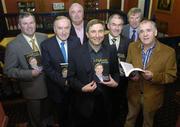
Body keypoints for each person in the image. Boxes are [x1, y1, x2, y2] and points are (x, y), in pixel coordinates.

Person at [124, 19, 177, 127]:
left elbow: (171, 76)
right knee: (130, 118)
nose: (145, 34)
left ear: (155, 32)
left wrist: (154, 76)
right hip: (133, 93)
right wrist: (132, 75)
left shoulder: (169, 52)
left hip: (153, 96)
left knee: (148, 122)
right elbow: (128, 65)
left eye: (148, 30)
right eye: (142, 31)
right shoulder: (132, 47)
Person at [68, 19, 119, 127]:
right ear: (87, 34)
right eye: (93, 31)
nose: (97, 35)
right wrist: (82, 88)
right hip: (84, 102)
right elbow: (70, 77)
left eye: (100, 31)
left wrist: (116, 83)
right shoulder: (75, 52)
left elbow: (115, 72)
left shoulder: (111, 50)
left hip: (106, 101)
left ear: (104, 33)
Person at [3, 12, 48, 127]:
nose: (29, 26)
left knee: (48, 116)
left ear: (35, 23)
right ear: (19, 26)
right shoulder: (13, 46)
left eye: (31, 22)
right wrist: (30, 73)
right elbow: (8, 70)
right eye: (25, 23)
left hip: (50, 85)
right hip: (32, 89)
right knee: (36, 119)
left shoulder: (43, 37)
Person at [41, 16, 80, 127]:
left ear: (70, 28)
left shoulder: (76, 41)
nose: (64, 32)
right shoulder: (46, 45)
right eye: (60, 28)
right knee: (61, 116)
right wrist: (64, 82)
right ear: (54, 29)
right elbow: (47, 68)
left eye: (66, 28)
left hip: (75, 88)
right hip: (57, 88)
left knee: (75, 114)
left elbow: (79, 61)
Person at [104, 13, 131, 126]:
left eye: (120, 25)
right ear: (108, 25)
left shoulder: (129, 42)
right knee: (103, 107)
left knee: (117, 107)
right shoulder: (100, 40)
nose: (117, 28)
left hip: (121, 82)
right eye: (114, 24)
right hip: (103, 82)